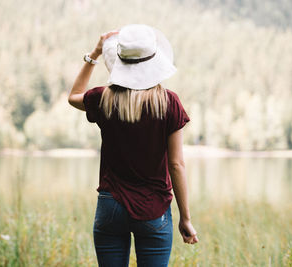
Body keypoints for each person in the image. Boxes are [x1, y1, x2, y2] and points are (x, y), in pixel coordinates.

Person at [68, 24, 198, 267]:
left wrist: (94, 54)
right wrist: (185, 218)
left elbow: (73, 95)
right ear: (155, 61)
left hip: (110, 207)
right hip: (154, 209)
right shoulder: (169, 103)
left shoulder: (103, 98)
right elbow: (176, 164)